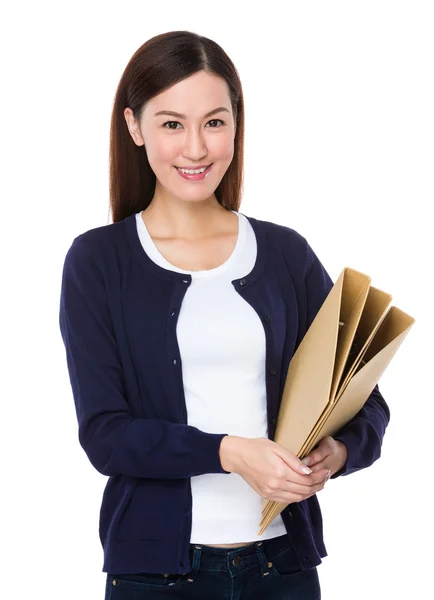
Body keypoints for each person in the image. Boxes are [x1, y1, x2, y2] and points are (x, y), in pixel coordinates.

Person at [58, 30, 390, 600]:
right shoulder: (98, 262)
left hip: (282, 568)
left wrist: (332, 456)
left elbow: (365, 401)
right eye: (171, 124)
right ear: (134, 126)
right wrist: (230, 452)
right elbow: (105, 436)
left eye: (214, 122)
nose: (196, 148)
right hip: (156, 577)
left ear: (236, 124)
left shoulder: (286, 253)